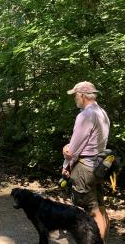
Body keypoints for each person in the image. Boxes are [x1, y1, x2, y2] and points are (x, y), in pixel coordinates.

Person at [62, 81, 110, 241]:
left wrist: (66, 164)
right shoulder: (102, 112)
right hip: (99, 167)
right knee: (99, 206)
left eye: (75, 95)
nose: (75, 98)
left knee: (91, 210)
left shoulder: (85, 115)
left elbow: (73, 150)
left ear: (82, 95)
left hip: (85, 168)